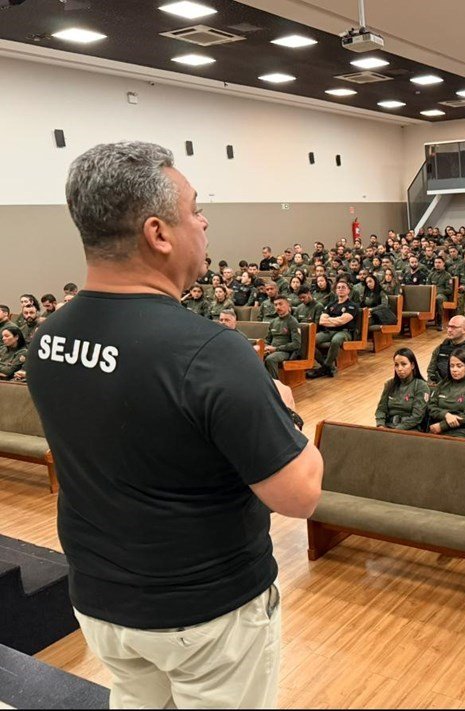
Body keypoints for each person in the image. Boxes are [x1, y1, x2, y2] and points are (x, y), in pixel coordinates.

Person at [28, 141, 323, 708]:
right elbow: (299, 495)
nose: (204, 222)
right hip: (204, 616)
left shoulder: (48, 339)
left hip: (101, 601)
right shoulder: (208, 353)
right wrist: (284, 408)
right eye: (196, 209)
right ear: (158, 233)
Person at [307, 280, 360, 378]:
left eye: (343, 287)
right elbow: (322, 321)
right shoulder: (331, 305)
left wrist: (330, 320)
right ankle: (327, 366)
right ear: (335, 290)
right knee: (309, 341)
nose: (340, 289)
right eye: (338, 287)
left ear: (348, 290)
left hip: (345, 332)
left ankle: (324, 368)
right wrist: (335, 320)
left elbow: (342, 321)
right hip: (329, 331)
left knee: (336, 341)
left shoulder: (352, 306)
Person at [426, 348, 465, 437]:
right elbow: (431, 407)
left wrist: (442, 426)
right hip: (435, 426)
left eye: (459, 366)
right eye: (452, 366)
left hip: (460, 430)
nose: (454, 369)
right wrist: (446, 415)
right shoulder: (442, 384)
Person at [374, 348, 430, 430]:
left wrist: (397, 430)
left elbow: (417, 417)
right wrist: (380, 425)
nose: (399, 369)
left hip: (410, 428)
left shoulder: (421, 386)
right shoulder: (389, 384)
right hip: (389, 426)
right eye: (396, 365)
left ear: (412, 365)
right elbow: (381, 410)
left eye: (403, 364)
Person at [427, 315, 465, 385]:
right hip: (442, 387)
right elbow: (431, 372)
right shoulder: (440, 348)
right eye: (448, 326)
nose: (449, 330)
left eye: (454, 327)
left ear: (464, 330)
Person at [263, 295, 302, 379]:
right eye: (276, 305)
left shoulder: (292, 322)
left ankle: (275, 384)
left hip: (286, 352)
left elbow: (296, 344)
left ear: (288, 305)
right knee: (255, 356)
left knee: (270, 359)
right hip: (271, 350)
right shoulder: (273, 322)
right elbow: (268, 339)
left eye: (280, 304)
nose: (278, 307)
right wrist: (265, 347)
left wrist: (276, 349)